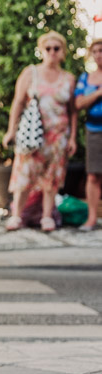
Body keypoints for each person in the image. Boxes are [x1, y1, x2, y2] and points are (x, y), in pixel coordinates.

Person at [2, 31, 77, 233]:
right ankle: (16, 215)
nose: (52, 52)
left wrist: (72, 138)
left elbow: (73, 111)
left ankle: (46, 217)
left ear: (63, 52)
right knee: (24, 174)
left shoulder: (68, 78)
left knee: (52, 178)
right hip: (32, 134)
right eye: (48, 48)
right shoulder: (31, 73)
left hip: (58, 136)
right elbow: (18, 102)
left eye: (56, 48)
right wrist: (11, 130)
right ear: (42, 50)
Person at [74, 39, 102, 231]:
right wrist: (99, 94)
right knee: (93, 175)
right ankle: (92, 218)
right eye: (96, 51)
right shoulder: (85, 78)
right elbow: (78, 104)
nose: (99, 54)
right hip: (94, 130)